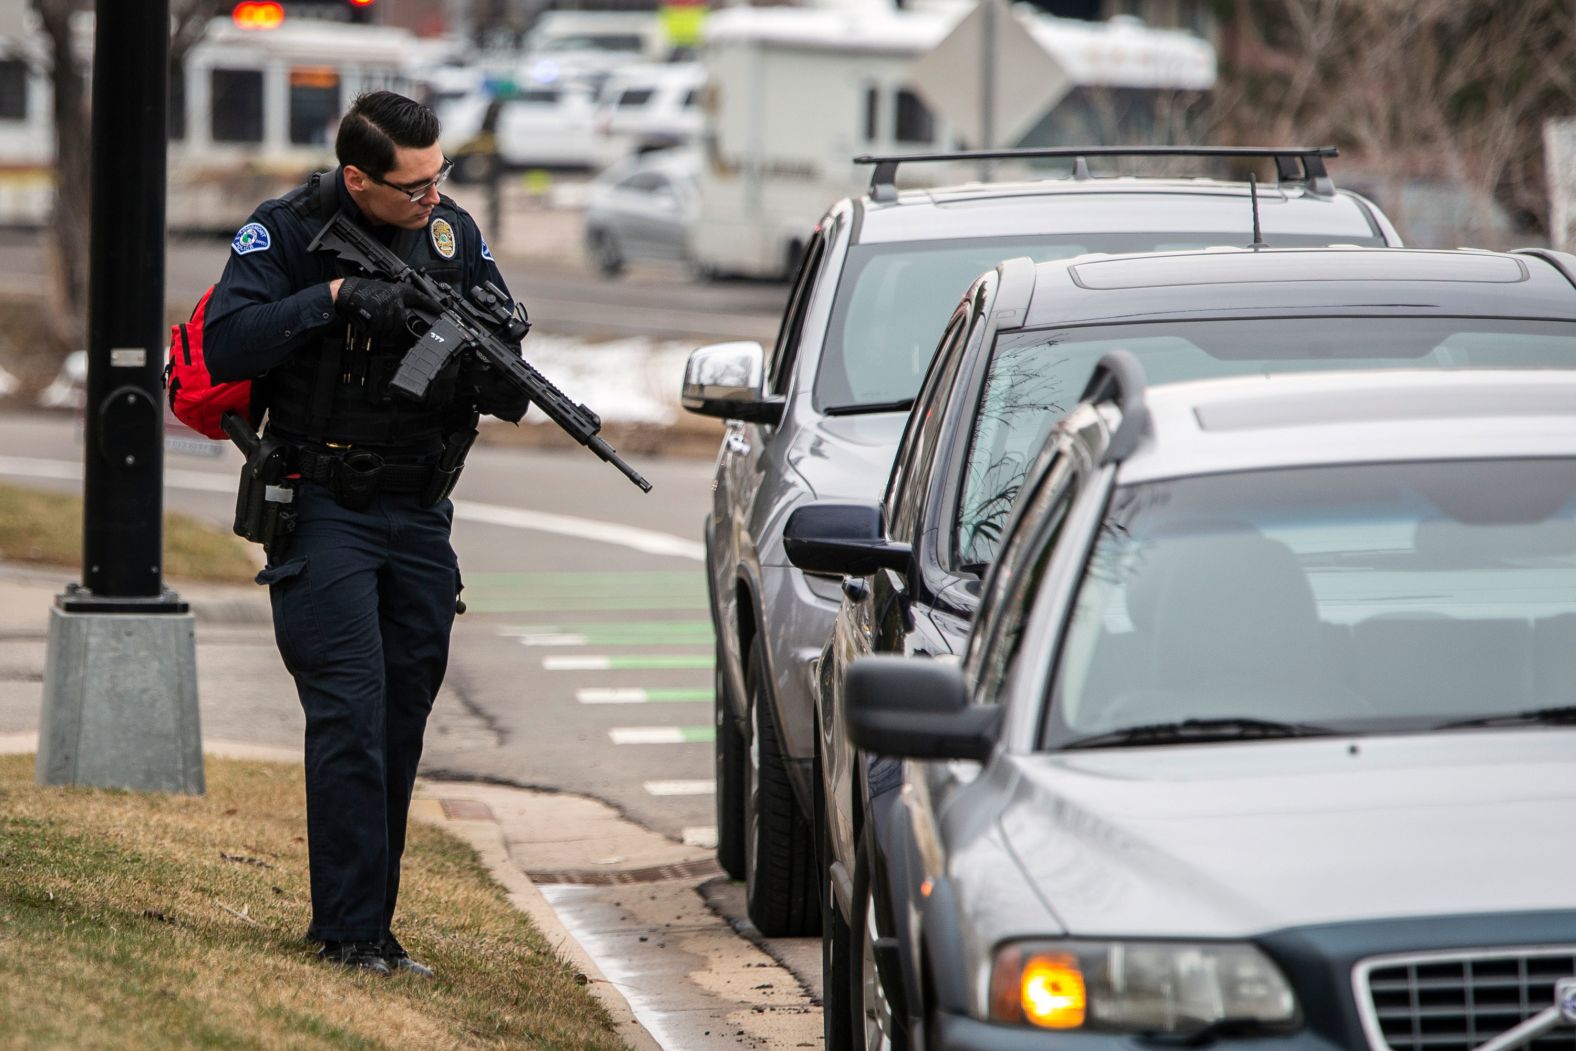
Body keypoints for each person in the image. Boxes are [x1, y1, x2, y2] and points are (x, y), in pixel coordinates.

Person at [204, 91, 530, 977]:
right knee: (349, 712)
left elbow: (503, 331)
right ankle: (347, 934)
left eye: (440, 177)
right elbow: (225, 344)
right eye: (413, 185)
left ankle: (371, 928)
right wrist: (340, 297)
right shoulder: (286, 234)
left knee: (399, 720)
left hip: (420, 513)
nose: (432, 197)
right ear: (358, 177)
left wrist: (495, 357)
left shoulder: (452, 234)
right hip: (325, 505)